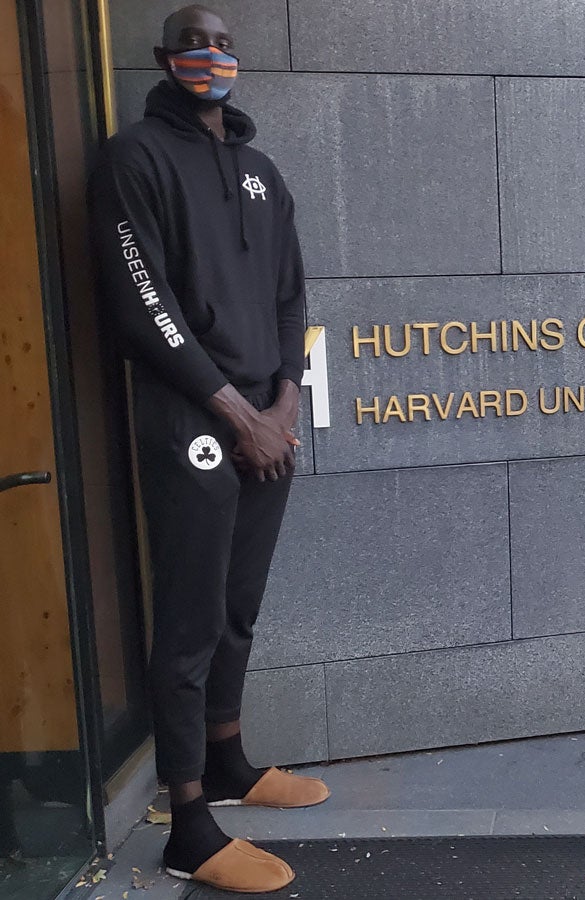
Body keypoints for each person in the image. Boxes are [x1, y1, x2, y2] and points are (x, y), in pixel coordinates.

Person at [88, 5, 327, 892]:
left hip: (269, 420)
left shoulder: (262, 171)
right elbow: (142, 303)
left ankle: (229, 761)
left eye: (225, 44)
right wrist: (235, 411)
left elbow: (292, 297)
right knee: (189, 621)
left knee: (238, 605)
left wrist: (285, 405)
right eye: (196, 43)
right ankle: (188, 819)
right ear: (164, 58)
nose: (212, 56)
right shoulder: (133, 160)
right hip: (193, 420)